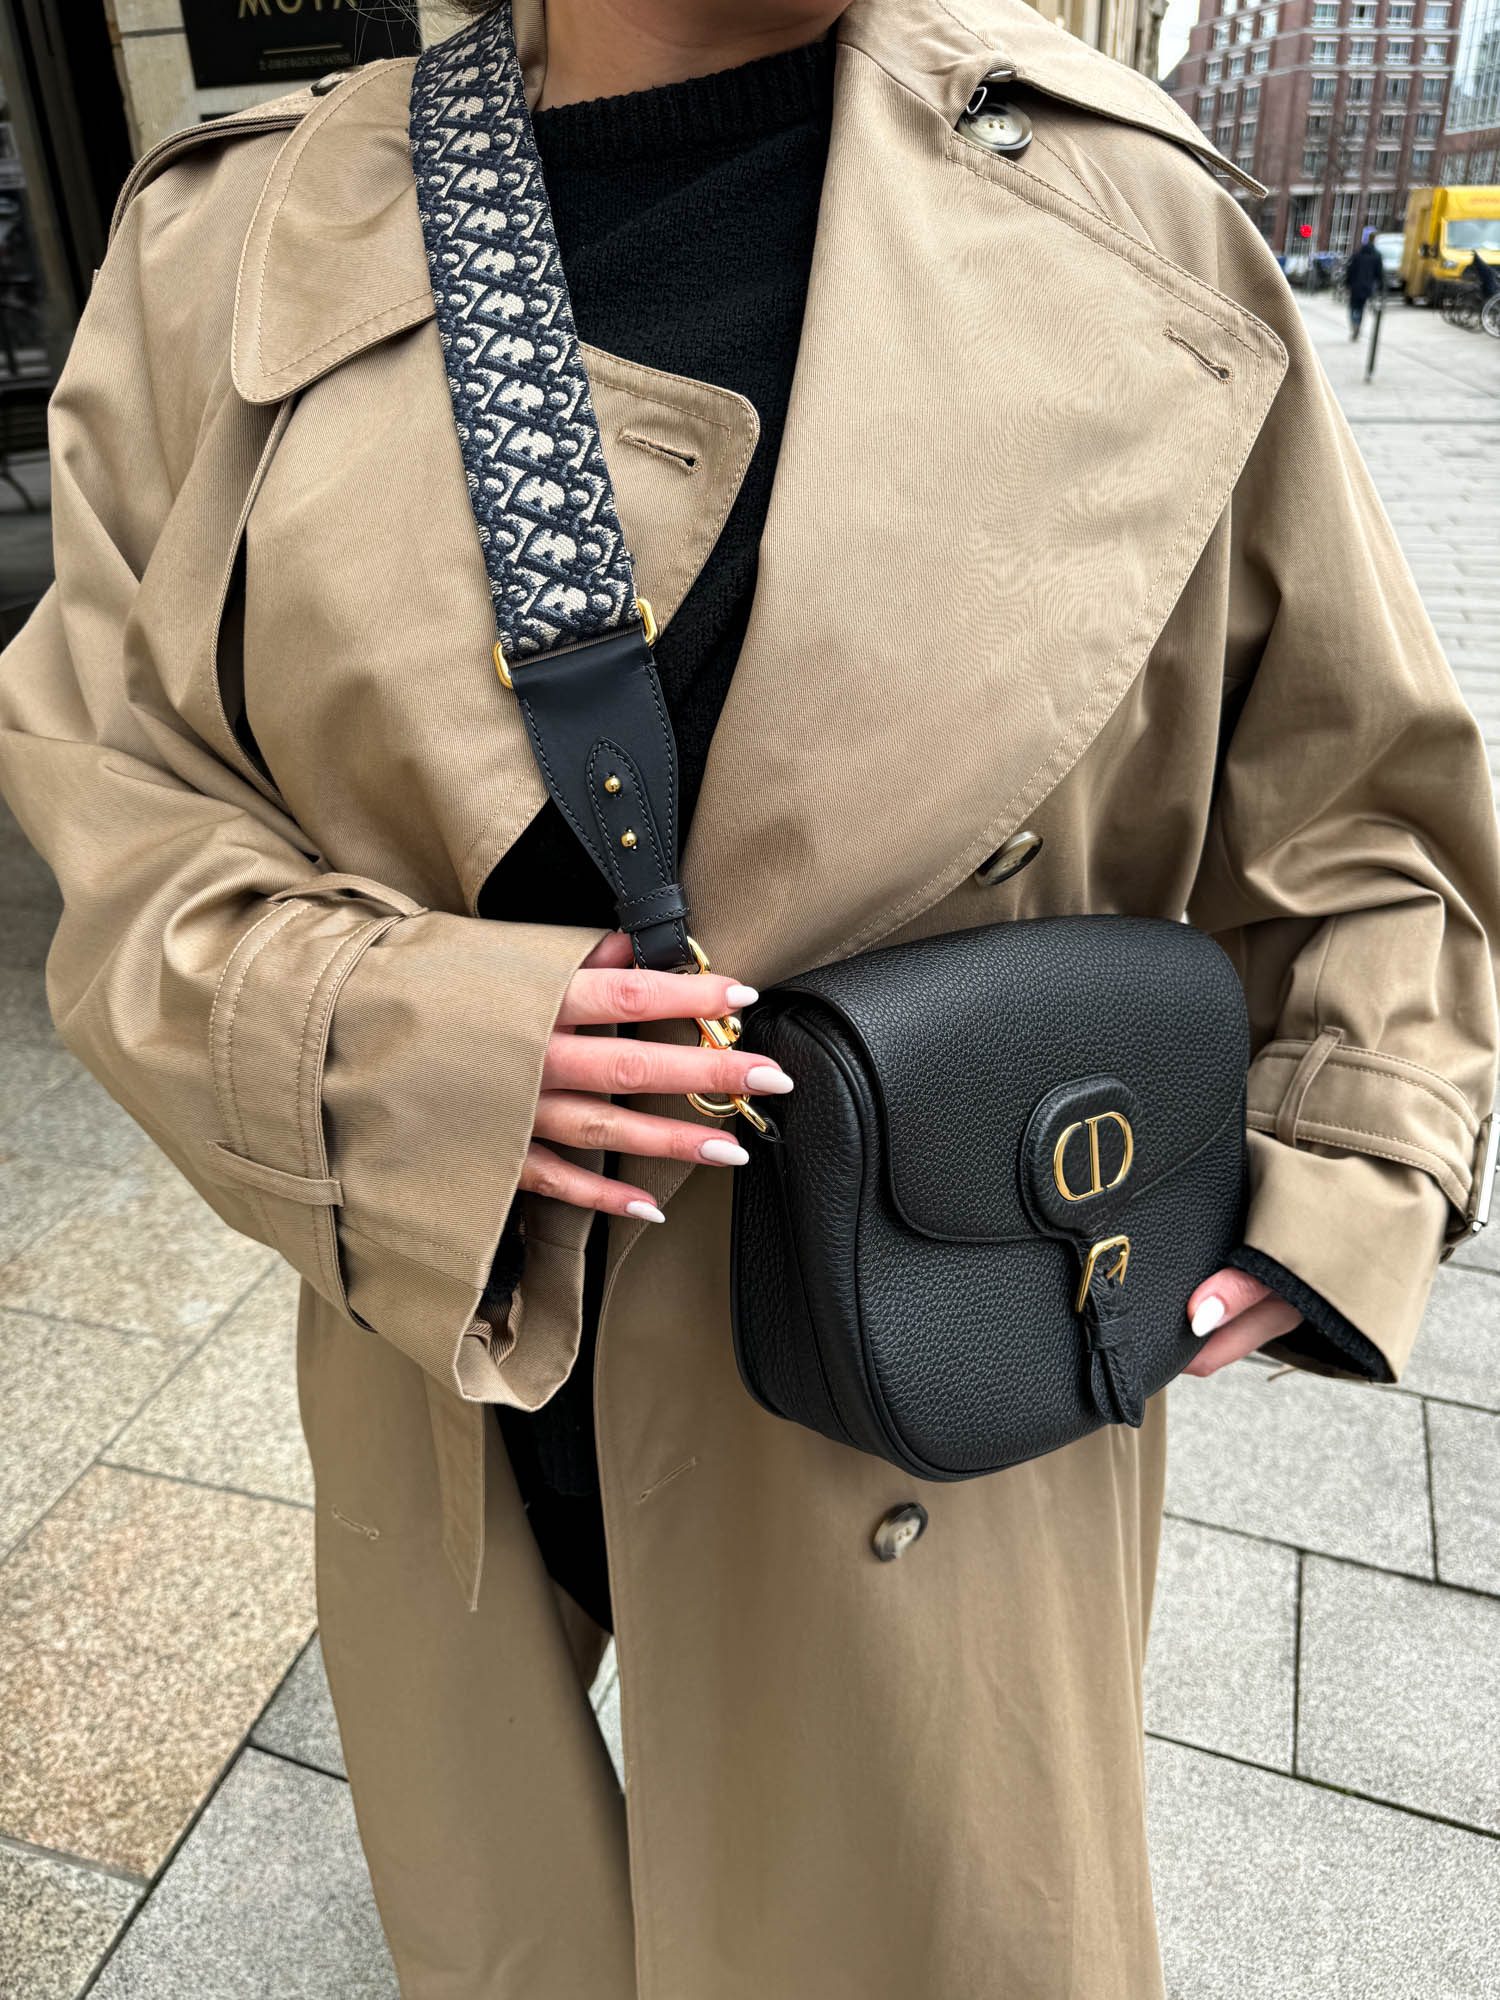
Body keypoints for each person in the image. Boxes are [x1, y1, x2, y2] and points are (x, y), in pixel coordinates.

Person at [1, 0, 1497, 1994]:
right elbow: (118, 797)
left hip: (938, 1351)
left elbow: (1359, 802)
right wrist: (386, 1045)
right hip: (454, 1347)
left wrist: (1356, 1144)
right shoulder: (232, 239)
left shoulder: (1136, 212)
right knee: (511, 1924)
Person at [1345, 226, 1387, 336]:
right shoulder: (1377, 256)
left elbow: (1350, 270)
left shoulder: (1358, 254)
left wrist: (1347, 283)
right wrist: (1381, 286)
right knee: (1361, 307)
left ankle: (1354, 323)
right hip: (1367, 286)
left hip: (1355, 286)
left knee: (1353, 306)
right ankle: (1357, 324)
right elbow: (1379, 273)